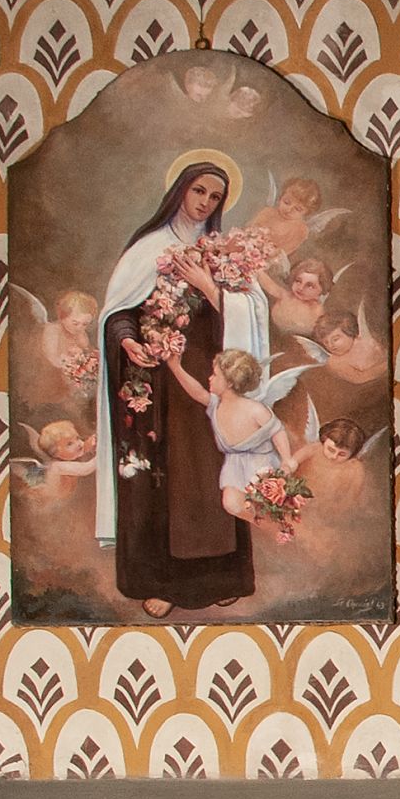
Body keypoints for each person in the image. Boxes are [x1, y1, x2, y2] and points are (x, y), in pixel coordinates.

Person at [94, 155, 271, 618]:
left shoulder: (224, 255)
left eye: (215, 197)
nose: (205, 202)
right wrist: (128, 342)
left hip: (211, 384)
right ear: (180, 190)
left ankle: (222, 578)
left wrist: (207, 286)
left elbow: (253, 315)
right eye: (199, 191)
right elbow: (118, 313)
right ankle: (160, 583)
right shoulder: (148, 249)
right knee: (160, 482)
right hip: (159, 387)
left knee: (214, 478)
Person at [145, 346, 302, 533]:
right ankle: (272, 528)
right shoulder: (216, 405)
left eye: (215, 375)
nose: (210, 378)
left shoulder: (254, 409)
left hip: (260, 464)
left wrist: (286, 458)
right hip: (234, 465)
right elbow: (197, 392)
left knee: (265, 502)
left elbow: (277, 431)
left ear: (229, 382)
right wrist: (176, 367)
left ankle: (281, 528)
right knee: (231, 504)